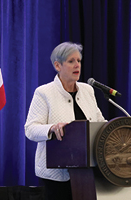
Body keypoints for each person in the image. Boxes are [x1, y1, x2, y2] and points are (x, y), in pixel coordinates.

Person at [24, 42, 106, 200]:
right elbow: (30, 129)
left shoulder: (88, 90)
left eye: (79, 61)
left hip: (90, 171)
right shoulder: (44, 92)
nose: (77, 65)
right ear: (57, 65)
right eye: (71, 61)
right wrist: (52, 128)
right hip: (57, 176)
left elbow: (100, 123)